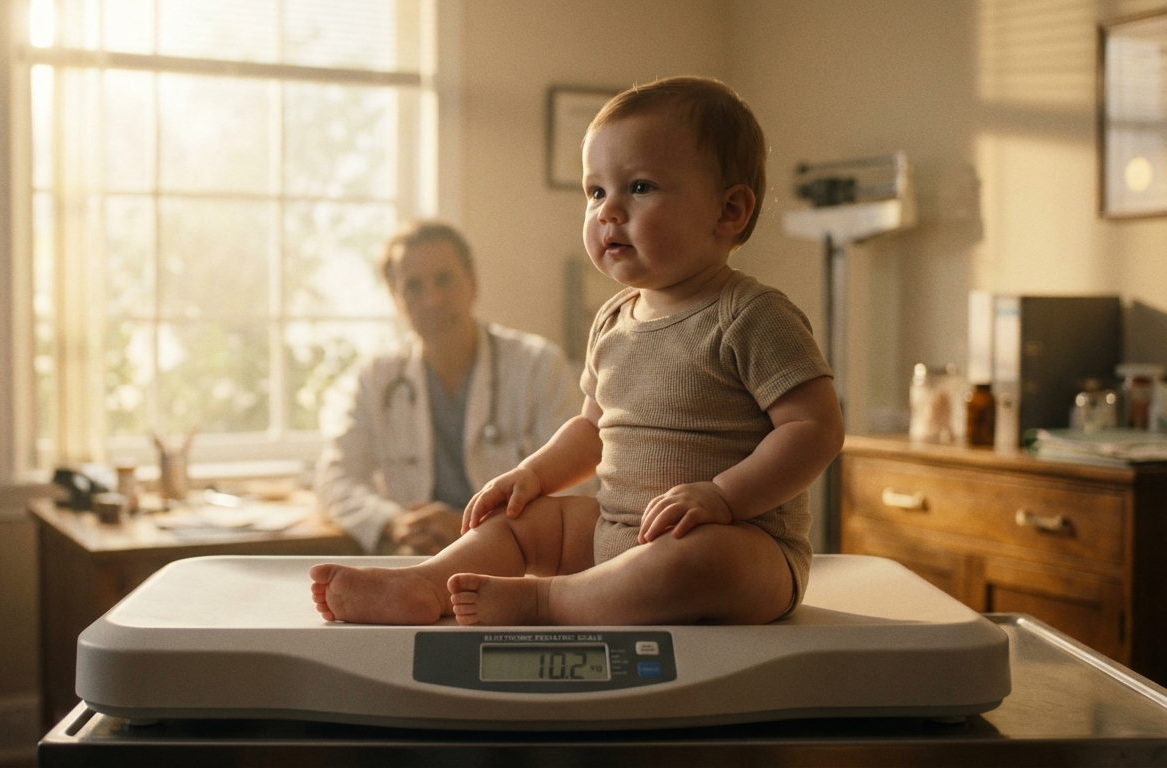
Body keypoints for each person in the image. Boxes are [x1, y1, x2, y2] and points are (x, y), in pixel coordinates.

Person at [309, 76, 844, 627]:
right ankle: (425, 584)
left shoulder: (751, 314)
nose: (608, 211)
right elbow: (591, 428)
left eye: (639, 188)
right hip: (618, 531)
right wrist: (535, 474)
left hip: (740, 544)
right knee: (524, 522)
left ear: (729, 211)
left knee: (697, 562)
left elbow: (815, 429)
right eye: (595, 192)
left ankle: (548, 600)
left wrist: (724, 497)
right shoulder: (614, 320)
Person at [314, 221, 586, 555]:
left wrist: (470, 525)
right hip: (417, 553)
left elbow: (578, 481)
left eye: (444, 280)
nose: (432, 299)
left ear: (472, 283)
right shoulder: (376, 376)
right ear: (396, 300)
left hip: (517, 557)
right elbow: (335, 478)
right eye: (413, 286)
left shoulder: (538, 365)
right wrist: (393, 521)